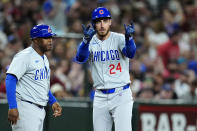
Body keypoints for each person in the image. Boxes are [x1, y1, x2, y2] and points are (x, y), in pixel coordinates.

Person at [75, 7, 136, 131]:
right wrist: (85, 42)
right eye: (98, 21)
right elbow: (80, 58)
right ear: (93, 24)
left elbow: (131, 53)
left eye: (105, 20)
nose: (102, 24)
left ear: (110, 22)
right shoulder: (90, 42)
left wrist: (129, 40)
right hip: (100, 96)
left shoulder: (119, 38)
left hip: (121, 94)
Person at [5, 24, 62, 131]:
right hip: (25, 108)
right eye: (46, 37)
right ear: (35, 40)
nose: (50, 40)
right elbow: (10, 79)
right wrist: (12, 106)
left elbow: (42, 84)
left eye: (51, 37)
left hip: (39, 109)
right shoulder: (24, 56)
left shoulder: (44, 58)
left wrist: (53, 100)